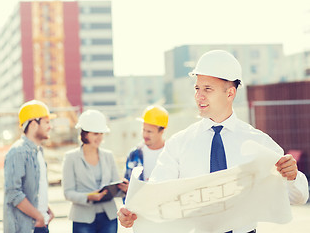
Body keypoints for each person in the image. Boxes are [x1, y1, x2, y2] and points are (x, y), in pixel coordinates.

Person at [118, 50, 309, 232]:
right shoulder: (179, 144)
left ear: (230, 94)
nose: (199, 96)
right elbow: (157, 193)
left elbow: (298, 197)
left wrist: (293, 177)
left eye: (207, 89)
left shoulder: (258, 142)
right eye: (197, 88)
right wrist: (133, 211)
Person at [62, 109, 126, 233]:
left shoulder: (108, 156)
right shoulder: (71, 158)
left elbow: (114, 188)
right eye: (95, 134)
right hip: (83, 218)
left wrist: (123, 189)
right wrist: (89, 197)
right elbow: (68, 192)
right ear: (85, 134)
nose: (100, 138)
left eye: (101, 133)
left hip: (108, 217)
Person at [4, 100, 56, 233]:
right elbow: (13, 193)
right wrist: (38, 216)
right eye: (46, 122)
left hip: (40, 224)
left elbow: (34, 189)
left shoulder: (38, 151)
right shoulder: (18, 152)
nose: (50, 127)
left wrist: (45, 209)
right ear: (33, 124)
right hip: (27, 227)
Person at [124, 105, 169, 182]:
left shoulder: (171, 153)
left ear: (161, 131)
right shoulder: (134, 154)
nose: (145, 135)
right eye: (144, 130)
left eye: (149, 132)